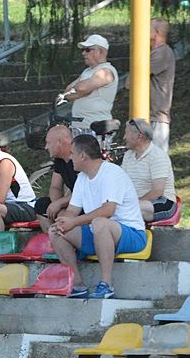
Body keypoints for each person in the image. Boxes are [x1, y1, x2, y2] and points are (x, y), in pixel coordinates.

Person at [49, 135, 146, 299]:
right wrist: (64, 221)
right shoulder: (82, 177)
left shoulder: (111, 173)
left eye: (72, 153)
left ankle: (106, 285)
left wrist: (74, 221)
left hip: (132, 234)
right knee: (55, 231)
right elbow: (72, 210)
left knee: (100, 222)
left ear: (82, 156)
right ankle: (77, 285)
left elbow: (108, 210)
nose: (70, 157)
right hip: (98, 232)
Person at [126, 18, 175, 151]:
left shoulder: (162, 53)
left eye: (146, 29)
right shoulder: (154, 53)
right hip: (148, 118)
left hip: (155, 119)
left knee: (156, 164)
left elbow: (131, 82)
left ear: (157, 33)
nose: (142, 32)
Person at [57, 35, 118, 132]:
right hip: (79, 127)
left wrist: (80, 90)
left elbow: (82, 88)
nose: (83, 53)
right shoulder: (87, 71)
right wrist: (83, 91)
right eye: (83, 50)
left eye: (88, 50)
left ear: (100, 51)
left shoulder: (106, 71)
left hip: (96, 128)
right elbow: (67, 92)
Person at [120, 118, 176, 222]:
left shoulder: (157, 156)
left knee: (129, 209)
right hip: (139, 201)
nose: (124, 137)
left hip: (163, 201)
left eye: (126, 133)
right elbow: (123, 184)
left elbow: (157, 192)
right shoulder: (128, 155)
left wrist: (134, 202)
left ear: (139, 136)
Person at [34, 125, 77, 233]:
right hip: (71, 202)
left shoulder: (79, 158)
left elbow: (86, 191)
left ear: (59, 142)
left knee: (62, 213)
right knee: (41, 205)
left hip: (86, 204)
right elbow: (55, 187)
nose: (46, 147)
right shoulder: (60, 160)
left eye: (48, 142)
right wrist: (57, 206)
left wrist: (59, 204)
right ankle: (51, 240)